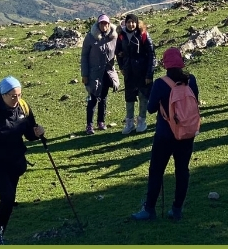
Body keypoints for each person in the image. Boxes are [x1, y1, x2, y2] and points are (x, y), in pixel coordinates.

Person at [0, 76, 45, 245]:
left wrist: (37, 133)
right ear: (3, 95)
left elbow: (29, 133)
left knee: (8, 200)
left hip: (15, 162)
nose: (16, 99)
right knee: (8, 197)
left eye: (19, 95)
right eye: (12, 96)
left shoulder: (23, 107)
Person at [132, 47, 199, 222]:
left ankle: (149, 209)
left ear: (165, 64)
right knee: (182, 171)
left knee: (156, 171)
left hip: (165, 135)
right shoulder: (191, 80)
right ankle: (177, 209)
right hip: (187, 133)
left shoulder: (161, 83)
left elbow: (151, 108)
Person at [116, 13, 156, 135]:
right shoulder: (121, 35)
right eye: (128, 22)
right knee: (129, 97)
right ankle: (129, 123)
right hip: (129, 72)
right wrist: (122, 67)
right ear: (126, 23)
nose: (131, 24)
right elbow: (118, 52)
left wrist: (149, 74)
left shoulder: (143, 34)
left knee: (143, 96)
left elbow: (152, 55)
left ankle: (141, 121)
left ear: (137, 23)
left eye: (133, 22)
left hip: (142, 72)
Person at [81, 14, 121, 134]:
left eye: (106, 23)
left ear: (109, 24)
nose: (104, 25)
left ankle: (101, 122)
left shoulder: (114, 37)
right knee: (93, 98)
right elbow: (84, 56)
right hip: (94, 73)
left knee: (103, 98)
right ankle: (89, 125)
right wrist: (84, 74)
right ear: (98, 24)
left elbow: (119, 51)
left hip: (107, 73)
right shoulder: (90, 37)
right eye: (102, 23)